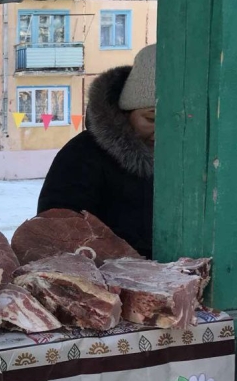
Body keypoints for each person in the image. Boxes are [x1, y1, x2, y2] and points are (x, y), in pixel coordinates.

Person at [37, 44, 156, 258]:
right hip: (109, 279)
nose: (164, 131)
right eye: (152, 119)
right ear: (125, 112)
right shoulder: (82, 155)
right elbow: (55, 229)